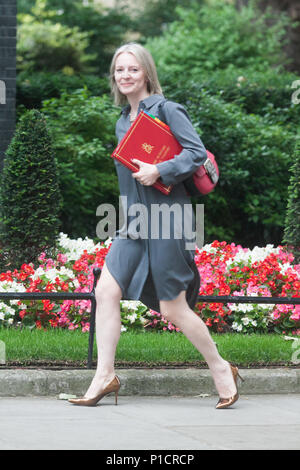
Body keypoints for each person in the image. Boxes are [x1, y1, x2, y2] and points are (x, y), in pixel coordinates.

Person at [69, 43, 243, 409]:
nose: (125, 76)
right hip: (133, 221)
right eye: (119, 70)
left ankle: (221, 367)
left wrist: (160, 170)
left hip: (169, 220)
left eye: (132, 69)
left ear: (146, 73)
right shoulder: (122, 119)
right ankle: (104, 376)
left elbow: (195, 153)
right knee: (105, 292)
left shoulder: (167, 110)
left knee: (172, 307)